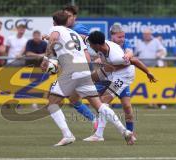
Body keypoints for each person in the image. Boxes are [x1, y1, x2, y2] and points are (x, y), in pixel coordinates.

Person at [41, 11, 134, 146]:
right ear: (67, 22)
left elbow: (54, 38)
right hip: (83, 70)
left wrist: (46, 59)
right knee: (99, 105)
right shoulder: (75, 35)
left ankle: (67, 135)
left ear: (54, 22)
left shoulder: (56, 29)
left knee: (52, 103)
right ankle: (124, 131)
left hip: (71, 71)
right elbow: (87, 57)